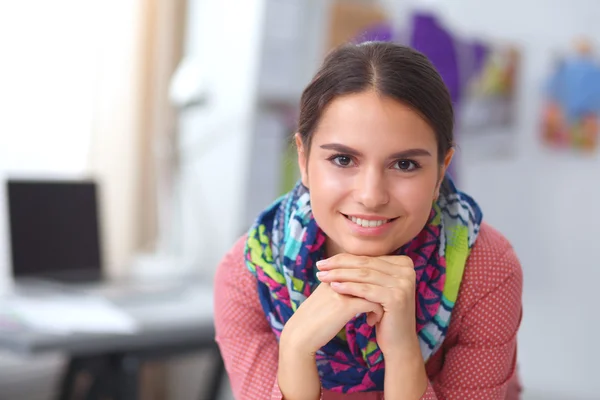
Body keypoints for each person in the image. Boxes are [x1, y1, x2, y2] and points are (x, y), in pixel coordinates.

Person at [214, 41, 523, 400]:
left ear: (441, 171)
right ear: (303, 159)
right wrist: (296, 350)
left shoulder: (484, 269)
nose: (371, 195)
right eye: (343, 160)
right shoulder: (248, 275)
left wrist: (404, 353)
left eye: (405, 164)